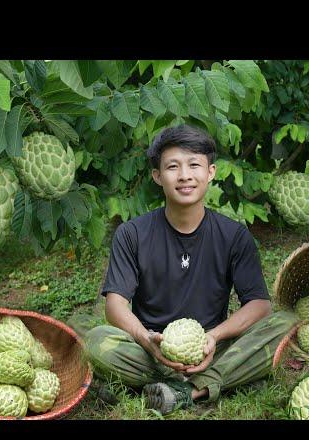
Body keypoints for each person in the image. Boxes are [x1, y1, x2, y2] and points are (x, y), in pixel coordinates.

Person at [84, 124, 297, 415]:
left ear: (210, 172)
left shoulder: (234, 235)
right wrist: (148, 340)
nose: (184, 176)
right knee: (97, 341)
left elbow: (259, 305)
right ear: (157, 176)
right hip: (152, 350)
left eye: (194, 165)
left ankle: (187, 390)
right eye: (173, 166)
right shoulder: (132, 234)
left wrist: (214, 338)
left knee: (284, 324)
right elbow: (115, 305)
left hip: (213, 348)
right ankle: (216, 379)